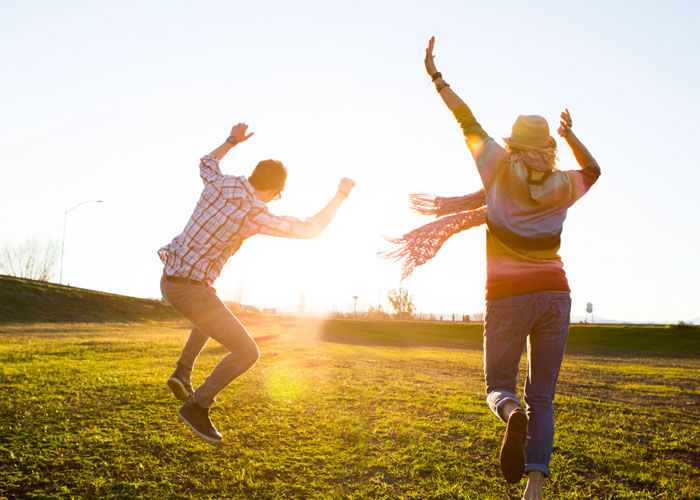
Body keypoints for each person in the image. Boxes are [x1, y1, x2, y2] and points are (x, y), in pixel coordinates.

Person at [416, 37, 601, 499]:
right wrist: (571, 134)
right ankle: (534, 488)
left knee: (499, 385)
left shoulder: (496, 165)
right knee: (544, 396)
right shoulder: (564, 184)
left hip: (506, 297)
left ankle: (509, 413)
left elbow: (466, 118)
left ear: (513, 142)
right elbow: (594, 170)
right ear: (550, 148)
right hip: (556, 295)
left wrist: (436, 77)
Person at [158, 122, 355, 443]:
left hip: (170, 280)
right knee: (246, 352)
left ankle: (183, 370)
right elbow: (311, 228)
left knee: (212, 313)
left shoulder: (219, 183)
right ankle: (196, 406)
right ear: (274, 191)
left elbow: (206, 161)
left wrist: (232, 140)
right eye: (276, 197)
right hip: (189, 289)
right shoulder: (254, 211)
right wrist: (341, 194)